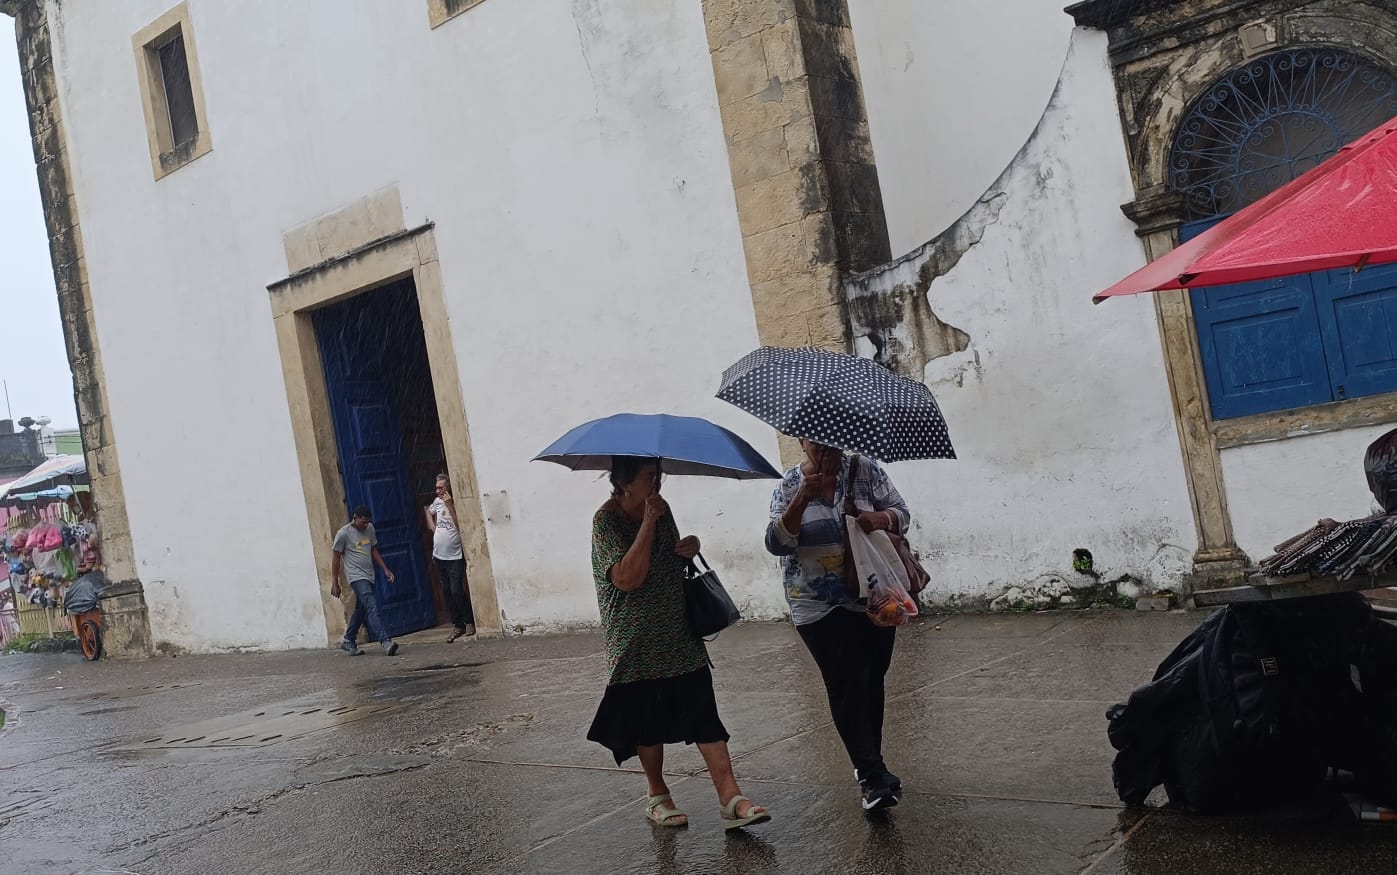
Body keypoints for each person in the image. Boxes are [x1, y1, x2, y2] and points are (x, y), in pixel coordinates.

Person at [586, 457, 770, 831]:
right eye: (648, 477)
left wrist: (690, 546)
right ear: (624, 482)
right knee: (647, 723)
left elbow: (670, 557)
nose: (656, 484)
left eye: (658, 476)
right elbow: (626, 578)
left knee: (704, 714)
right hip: (636, 641)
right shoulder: (605, 521)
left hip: (678, 632)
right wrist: (648, 523)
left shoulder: (662, 508)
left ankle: (730, 797)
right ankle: (657, 795)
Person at [765, 439, 912, 812]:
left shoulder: (865, 470)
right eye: (815, 444)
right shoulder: (789, 485)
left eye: (830, 444)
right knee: (846, 680)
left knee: (872, 677)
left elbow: (902, 513)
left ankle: (872, 764)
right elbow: (776, 543)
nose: (824, 450)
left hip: (873, 596)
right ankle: (871, 776)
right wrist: (802, 498)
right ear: (802, 442)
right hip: (815, 602)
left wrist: (881, 519)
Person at [331, 505, 399, 656]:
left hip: (369, 575)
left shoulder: (370, 529)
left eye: (368, 522)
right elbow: (335, 558)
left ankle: (348, 639)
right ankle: (386, 642)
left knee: (361, 609)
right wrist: (335, 582)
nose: (365, 525)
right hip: (356, 577)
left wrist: (385, 569)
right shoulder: (343, 534)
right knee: (372, 606)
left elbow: (373, 549)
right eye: (363, 522)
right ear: (354, 518)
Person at [425, 474, 474, 641]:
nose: (437, 491)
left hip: (454, 556)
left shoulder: (454, 503)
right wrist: (431, 525)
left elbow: (460, 524)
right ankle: (457, 624)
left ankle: (469, 620)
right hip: (439, 555)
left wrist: (449, 504)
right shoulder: (436, 502)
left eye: (441, 488)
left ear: (448, 488)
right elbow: (428, 511)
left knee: (456, 590)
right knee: (447, 591)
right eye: (436, 488)